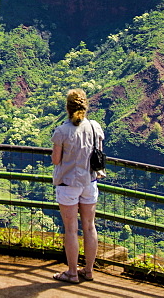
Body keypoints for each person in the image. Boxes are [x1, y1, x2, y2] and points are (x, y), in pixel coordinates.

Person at [51, 88, 104, 284]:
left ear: (67, 108)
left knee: (71, 229)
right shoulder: (94, 127)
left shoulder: (62, 131)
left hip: (68, 184)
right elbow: (99, 155)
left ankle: (72, 273)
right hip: (89, 182)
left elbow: (56, 160)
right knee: (89, 227)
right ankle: (88, 271)